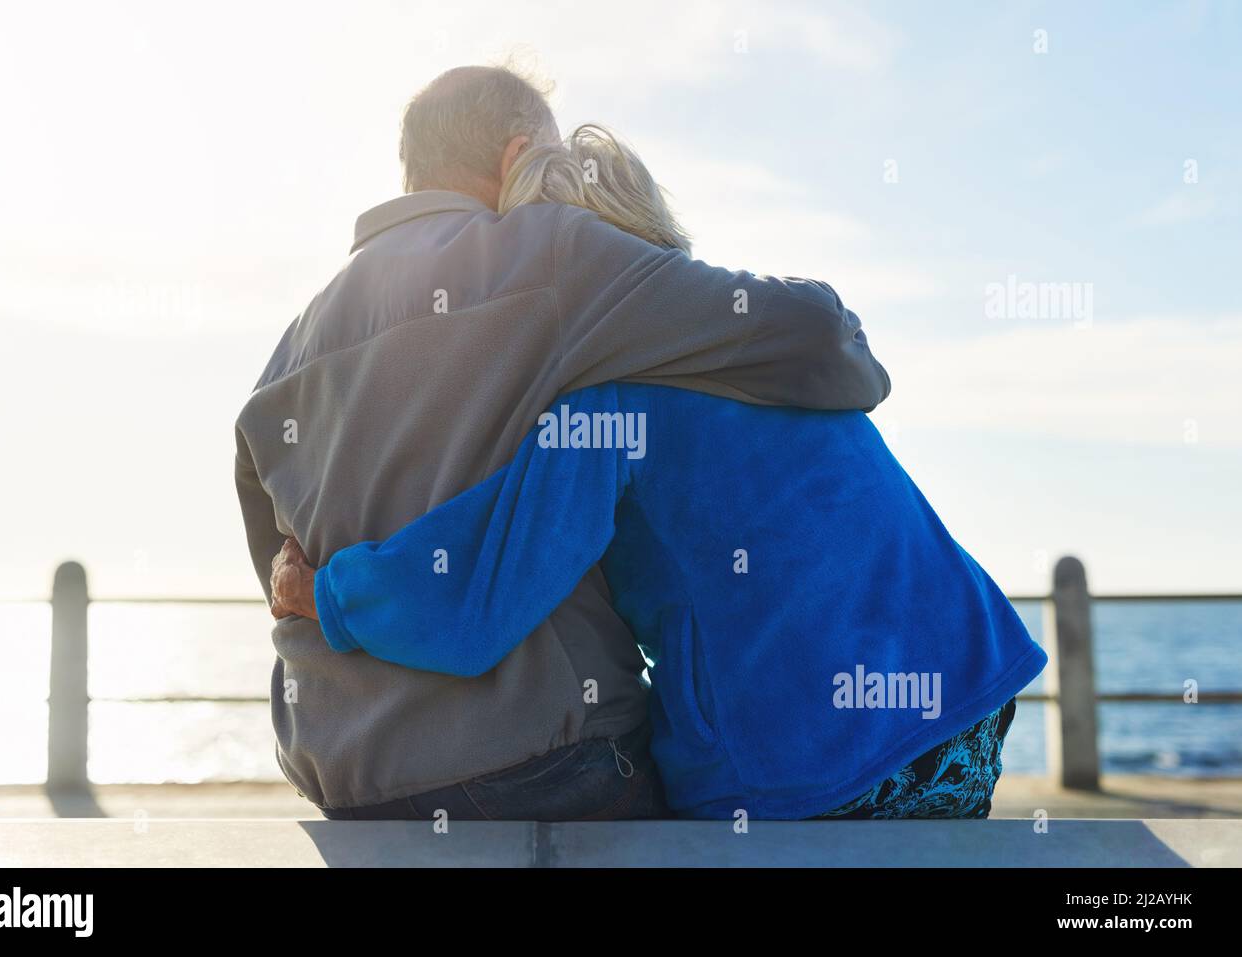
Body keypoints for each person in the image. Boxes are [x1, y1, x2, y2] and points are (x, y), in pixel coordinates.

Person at [268, 126, 1046, 820]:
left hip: (811, 770)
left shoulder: (607, 406)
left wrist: (326, 591)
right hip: (970, 705)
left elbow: (480, 595)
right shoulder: (761, 352)